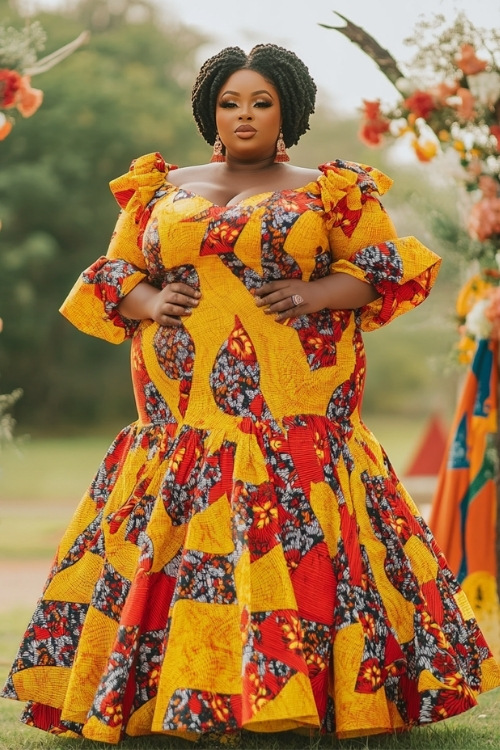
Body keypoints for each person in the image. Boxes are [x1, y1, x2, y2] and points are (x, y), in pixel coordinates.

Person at [2, 43, 500, 746]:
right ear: (210, 109)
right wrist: (150, 301)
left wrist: (313, 291)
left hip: (295, 405)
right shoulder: (158, 187)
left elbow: (384, 270)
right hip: (180, 416)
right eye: (230, 102)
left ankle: (304, 698)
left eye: (260, 103)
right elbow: (115, 272)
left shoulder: (332, 188)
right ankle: (165, 696)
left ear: (287, 110)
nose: (244, 116)